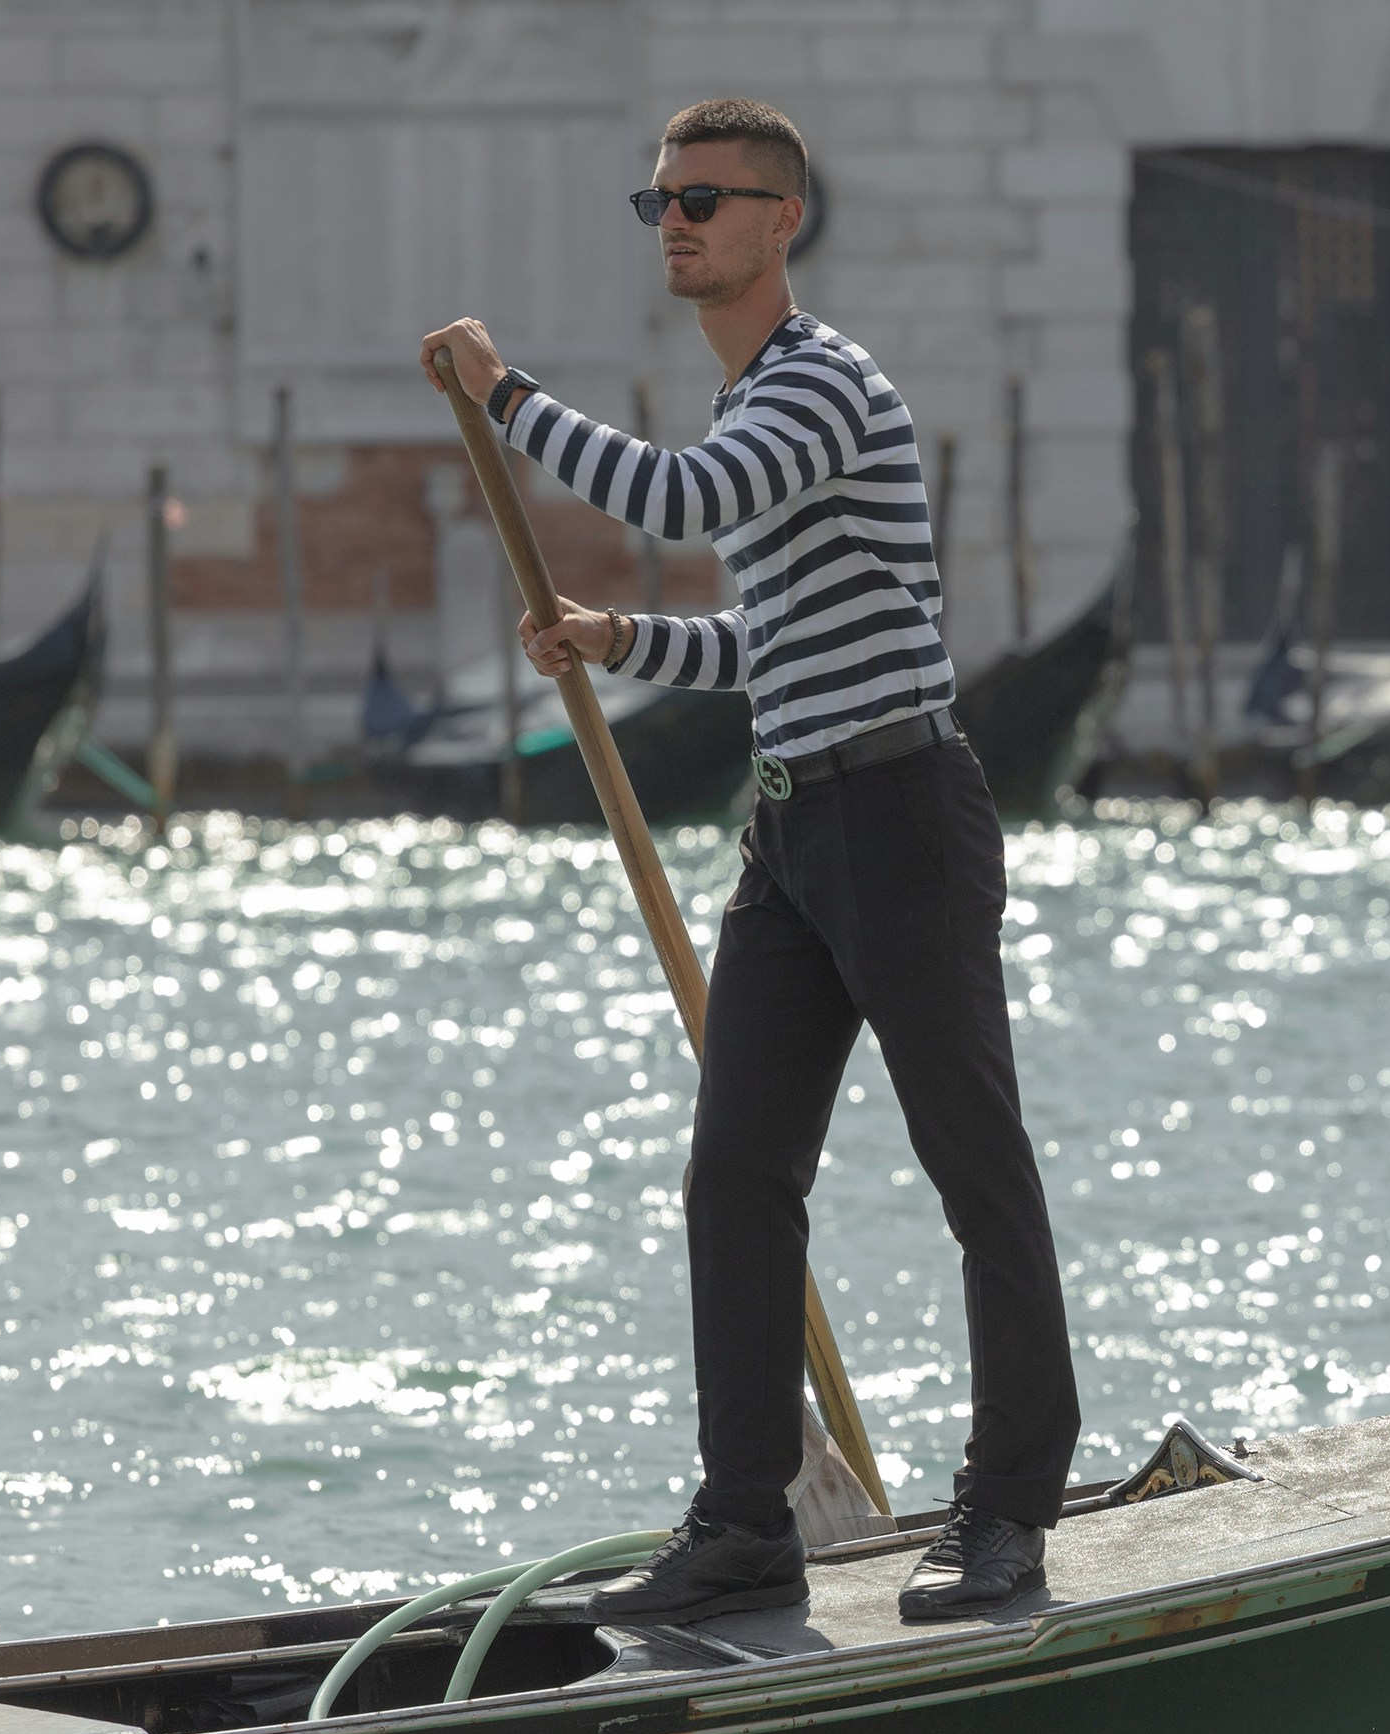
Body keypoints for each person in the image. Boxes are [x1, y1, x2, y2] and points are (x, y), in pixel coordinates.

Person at [418, 98, 1077, 1625]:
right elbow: (771, 639)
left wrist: (505, 392)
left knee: (974, 1172)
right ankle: (742, 1526)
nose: (679, 225)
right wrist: (621, 640)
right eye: (659, 205)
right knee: (734, 1180)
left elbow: (679, 503)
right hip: (792, 830)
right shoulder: (757, 404)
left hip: (906, 817)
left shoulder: (824, 388)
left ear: (785, 218)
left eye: (705, 201)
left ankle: (1011, 1510)